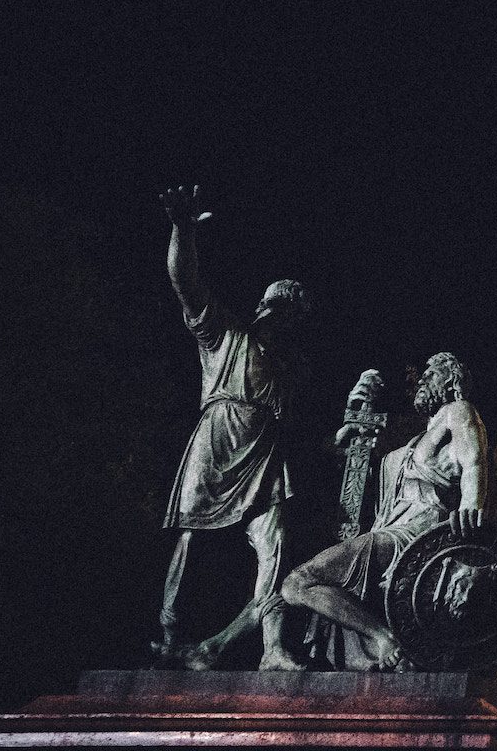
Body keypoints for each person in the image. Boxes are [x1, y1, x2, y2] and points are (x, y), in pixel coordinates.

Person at [153, 184, 307, 671]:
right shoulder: (226, 334)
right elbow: (186, 282)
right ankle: (170, 634)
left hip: (264, 456)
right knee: (193, 539)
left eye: (298, 323)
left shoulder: (288, 369)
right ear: (268, 311)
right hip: (219, 442)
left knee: (275, 541)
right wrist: (182, 228)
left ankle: (272, 648)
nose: (292, 330)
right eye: (288, 318)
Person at [282, 352, 488, 670]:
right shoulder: (416, 441)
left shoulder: (457, 412)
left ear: (451, 382)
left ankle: (383, 639)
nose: (422, 378)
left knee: (299, 582)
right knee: (297, 585)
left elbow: (474, 458)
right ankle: (380, 641)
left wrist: (471, 504)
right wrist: (350, 435)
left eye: (432, 373)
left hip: (416, 535)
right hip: (388, 529)